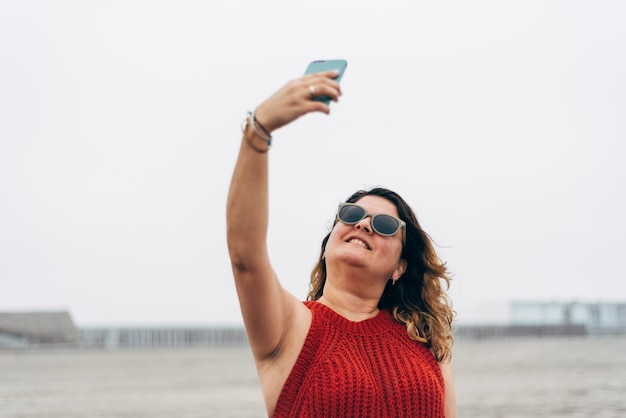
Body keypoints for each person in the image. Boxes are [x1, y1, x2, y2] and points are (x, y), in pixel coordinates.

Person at [226, 70, 456, 417]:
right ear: (329, 241)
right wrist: (258, 132)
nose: (363, 223)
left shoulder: (427, 339)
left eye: (383, 224)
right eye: (350, 215)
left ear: (400, 266)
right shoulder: (292, 327)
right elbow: (245, 255)